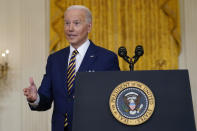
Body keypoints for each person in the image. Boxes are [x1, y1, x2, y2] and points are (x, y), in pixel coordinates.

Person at [23, 5, 120, 131]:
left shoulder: (106, 58)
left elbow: (115, 98)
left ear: (89, 27)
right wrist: (35, 98)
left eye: (76, 23)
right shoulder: (55, 59)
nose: (70, 28)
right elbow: (45, 99)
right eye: (67, 23)